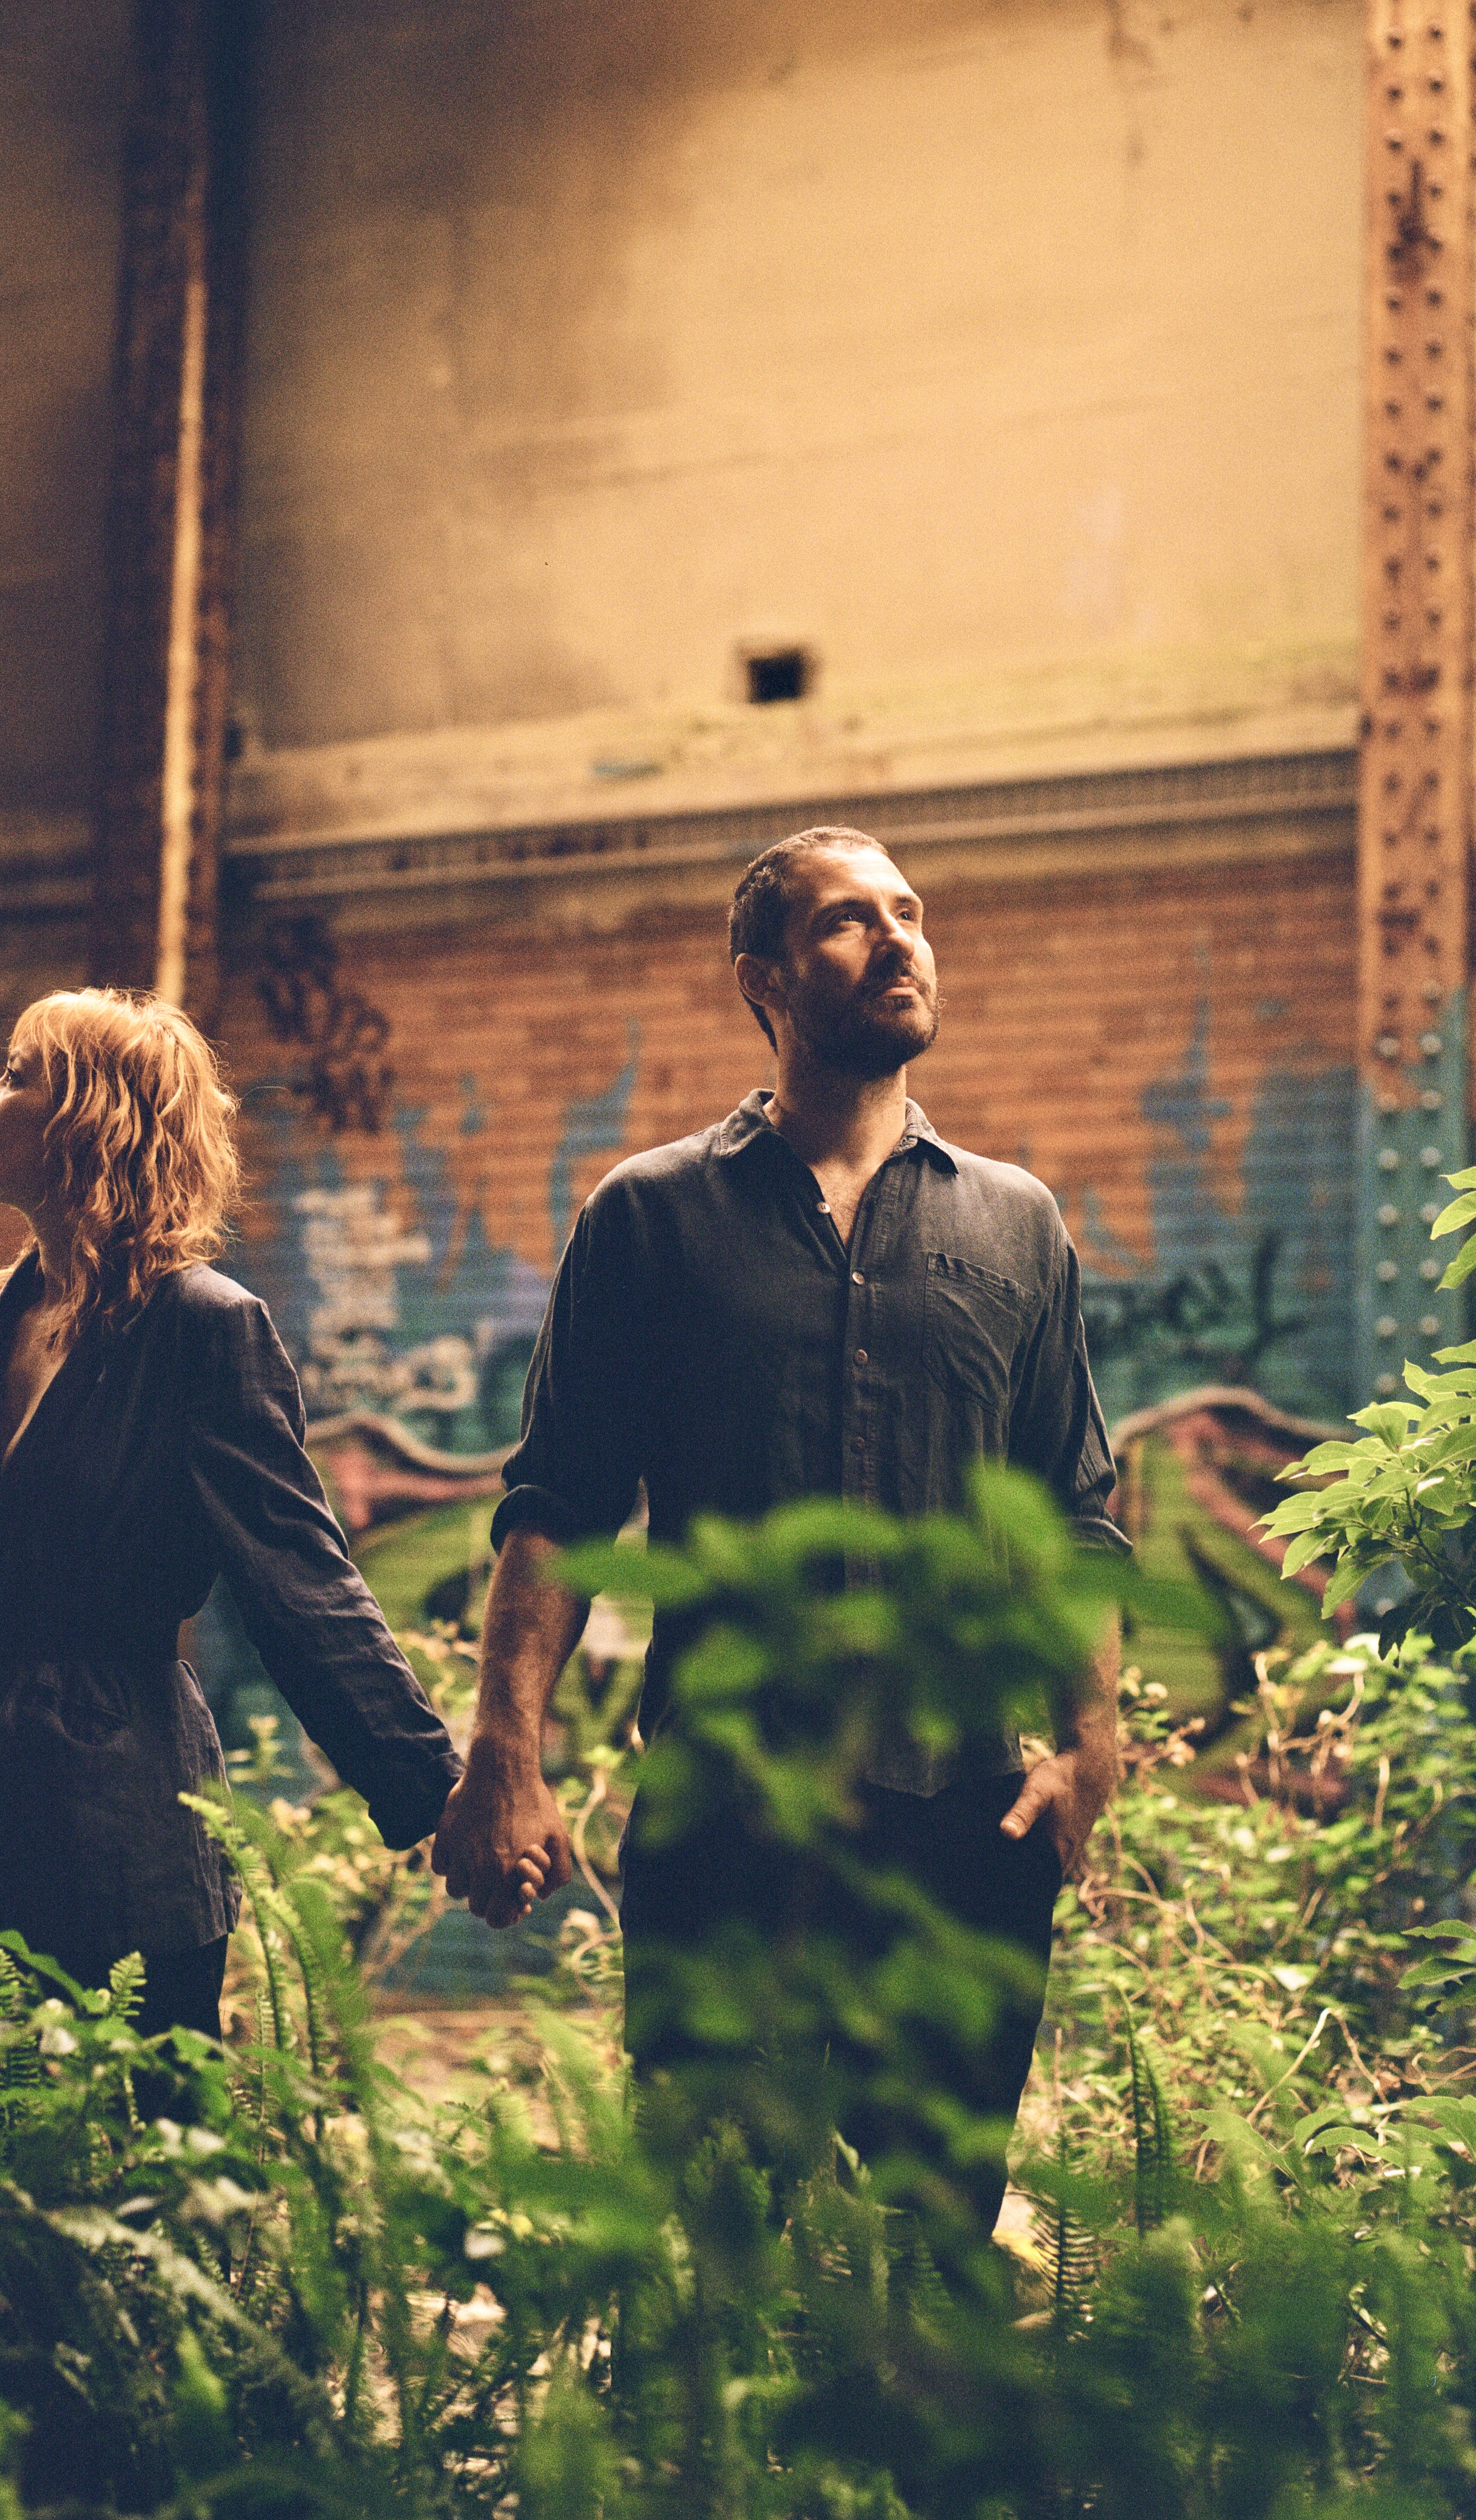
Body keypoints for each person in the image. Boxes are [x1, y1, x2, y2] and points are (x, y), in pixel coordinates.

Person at [431, 828, 1128, 2233]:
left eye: (910, 914)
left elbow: (1073, 1508)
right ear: (760, 976)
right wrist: (504, 1752)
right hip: (727, 1828)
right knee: (713, 2256)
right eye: (847, 920)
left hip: (962, 1830)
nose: (898, 941)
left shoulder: (1015, 1227)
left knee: (934, 2252)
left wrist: (1088, 1738)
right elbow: (558, 1505)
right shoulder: (649, 1219)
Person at [0, 987, 467, 2037]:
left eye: (17, 1073)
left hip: (108, 1828)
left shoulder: (203, 1329)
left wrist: (440, 1799)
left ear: (92, 1119)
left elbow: (303, 1588)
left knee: (114, 2171)